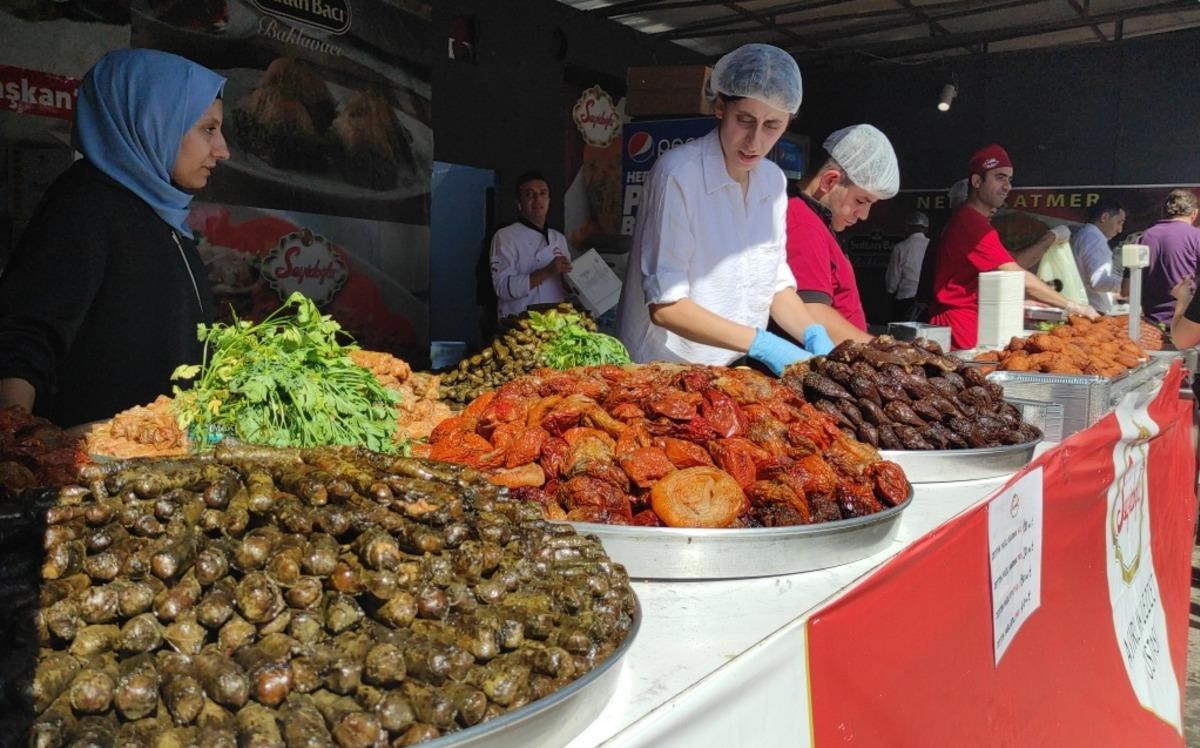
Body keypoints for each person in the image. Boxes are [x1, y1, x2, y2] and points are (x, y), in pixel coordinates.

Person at [0, 49, 227, 430]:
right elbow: (25, 334)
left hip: (165, 468)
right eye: (208, 128)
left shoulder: (166, 216)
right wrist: (16, 440)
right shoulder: (86, 201)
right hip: (96, 469)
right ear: (153, 120)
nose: (222, 150)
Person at [616, 43, 833, 374]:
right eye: (744, 120)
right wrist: (762, 343)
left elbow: (773, 284)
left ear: (788, 123)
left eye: (772, 125)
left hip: (730, 369)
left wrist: (814, 334)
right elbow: (666, 306)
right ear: (720, 107)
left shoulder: (773, 183)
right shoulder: (679, 174)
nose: (754, 141)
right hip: (664, 369)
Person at [928, 143, 1097, 350]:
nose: (1007, 186)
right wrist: (1072, 306)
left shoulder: (978, 223)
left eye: (1009, 180)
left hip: (975, 322)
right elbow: (1016, 273)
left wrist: (1050, 238)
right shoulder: (969, 223)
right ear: (977, 181)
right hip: (961, 327)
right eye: (1000, 177)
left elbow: (1013, 262)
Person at [785, 124, 899, 342]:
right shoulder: (802, 222)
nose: (864, 215)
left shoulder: (820, 222)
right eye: (861, 201)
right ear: (830, 181)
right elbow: (812, 312)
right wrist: (879, 350)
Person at [489, 171, 573, 318]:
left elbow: (565, 288)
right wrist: (546, 271)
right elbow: (502, 288)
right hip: (520, 324)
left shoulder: (558, 238)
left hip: (556, 322)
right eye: (529, 194)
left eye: (542, 193)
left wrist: (572, 283)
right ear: (518, 202)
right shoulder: (505, 236)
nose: (537, 199)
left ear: (549, 199)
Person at [1140, 189, 1200, 325]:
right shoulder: (1197, 237)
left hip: (1151, 325)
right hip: (1187, 324)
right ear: (1194, 213)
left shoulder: (1144, 237)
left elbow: (1127, 288)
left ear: (1165, 212)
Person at [1070, 197, 1127, 314]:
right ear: (1104, 217)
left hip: (1084, 307)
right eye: (1119, 222)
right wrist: (1127, 284)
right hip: (1091, 310)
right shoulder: (1094, 238)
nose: (1120, 230)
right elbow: (1098, 281)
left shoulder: (1084, 235)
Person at [886, 211, 930, 319]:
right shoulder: (933, 246)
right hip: (927, 301)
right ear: (926, 229)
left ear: (907, 227)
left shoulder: (900, 247)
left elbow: (892, 281)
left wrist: (890, 291)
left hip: (905, 299)